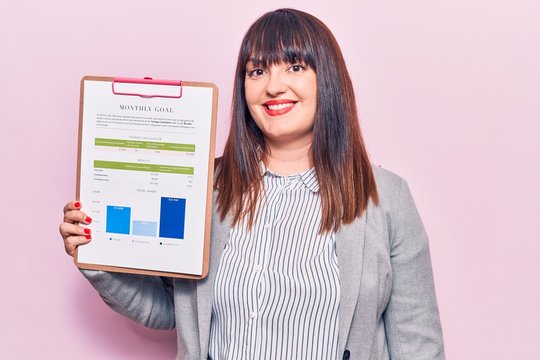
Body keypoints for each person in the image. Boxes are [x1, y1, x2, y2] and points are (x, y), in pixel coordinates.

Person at [60, 8, 445, 360]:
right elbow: (167, 311)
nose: (273, 86)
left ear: (327, 79)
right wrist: (96, 256)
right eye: (257, 71)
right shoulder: (204, 187)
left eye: (294, 67)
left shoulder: (386, 198)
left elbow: (417, 344)